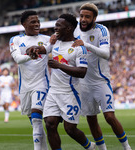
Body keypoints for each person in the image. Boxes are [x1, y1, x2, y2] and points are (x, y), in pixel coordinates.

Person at [28, 13, 96, 150]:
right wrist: (33, 49)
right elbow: (43, 49)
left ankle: (89, 147)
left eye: (59, 25)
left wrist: (59, 65)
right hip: (53, 91)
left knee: (70, 129)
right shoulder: (55, 42)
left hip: (70, 92)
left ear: (69, 28)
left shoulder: (78, 47)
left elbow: (82, 72)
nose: (55, 27)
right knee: (50, 124)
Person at [72, 3, 132, 150]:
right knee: (91, 120)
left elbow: (106, 54)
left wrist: (85, 44)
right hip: (83, 84)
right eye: (81, 16)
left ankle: (127, 147)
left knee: (110, 117)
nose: (83, 19)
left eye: (87, 16)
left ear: (94, 18)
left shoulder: (101, 30)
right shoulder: (74, 30)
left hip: (100, 81)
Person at [9, 10, 49, 150]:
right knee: (35, 123)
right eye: (33, 22)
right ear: (24, 24)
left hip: (41, 84)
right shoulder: (15, 40)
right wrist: (30, 55)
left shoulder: (46, 39)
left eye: (38, 21)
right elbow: (18, 59)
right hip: (25, 87)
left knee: (37, 119)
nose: (37, 24)